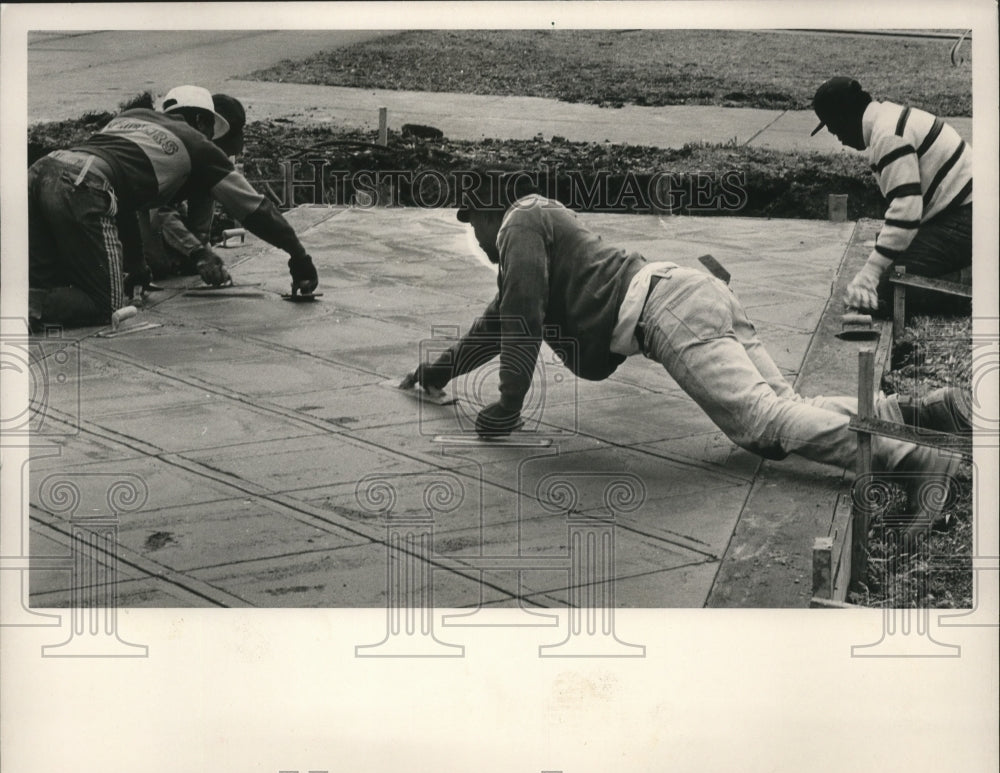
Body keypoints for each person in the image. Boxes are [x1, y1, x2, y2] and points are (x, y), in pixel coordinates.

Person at [402, 190, 965, 529]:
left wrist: (507, 403)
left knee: (762, 422)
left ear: (486, 212)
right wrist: (435, 373)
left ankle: (908, 460)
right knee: (778, 416)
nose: (475, 240)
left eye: (470, 223)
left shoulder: (518, 223)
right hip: (688, 291)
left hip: (667, 309)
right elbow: (498, 320)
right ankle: (918, 414)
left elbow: (520, 318)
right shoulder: (532, 232)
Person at [29, 85, 319, 327]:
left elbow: (126, 200)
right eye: (209, 130)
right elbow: (256, 210)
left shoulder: (133, 117)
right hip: (83, 184)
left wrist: (136, 266)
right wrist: (299, 256)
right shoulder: (198, 144)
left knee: (41, 281)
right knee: (107, 305)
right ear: (201, 122)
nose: (211, 139)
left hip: (42, 170)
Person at [810, 76, 972, 315]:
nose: (840, 140)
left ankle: (975, 286)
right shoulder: (889, 118)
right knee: (891, 272)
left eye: (834, 129)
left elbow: (906, 214)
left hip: (969, 217)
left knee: (887, 292)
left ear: (845, 118)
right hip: (965, 211)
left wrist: (869, 274)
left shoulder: (888, 137)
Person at [141, 93, 247, 281]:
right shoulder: (169, 150)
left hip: (162, 205)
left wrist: (201, 255)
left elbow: (202, 214)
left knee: (185, 262)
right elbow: (158, 210)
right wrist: (198, 252)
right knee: (156, 265)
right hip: (133, 207)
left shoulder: (210, 158)